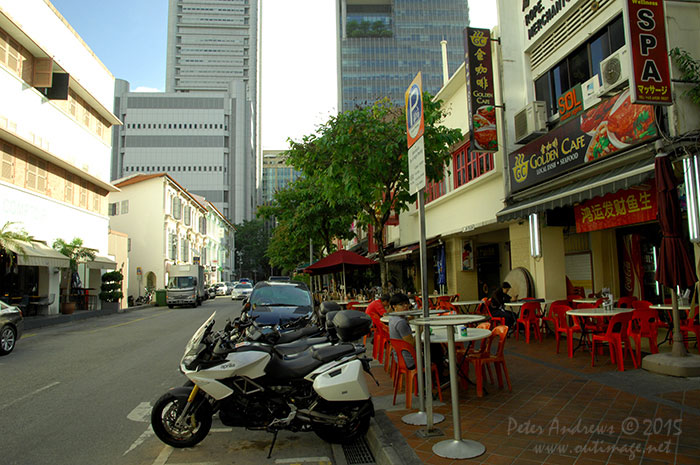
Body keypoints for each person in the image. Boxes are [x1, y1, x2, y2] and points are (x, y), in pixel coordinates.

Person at [387, 293, 447, 382]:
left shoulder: (393, 318)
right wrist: (420, 328)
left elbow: (409, 318)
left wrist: (416, 316)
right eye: (401, 304)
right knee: (436, 348)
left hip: (400, 358)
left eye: (406, 303)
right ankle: (437, 380)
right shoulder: (400, 323)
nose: (405, 306)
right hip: (410, 361)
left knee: (433, 347)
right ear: (394, 306)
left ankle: (434, 376)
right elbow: (412, 344)